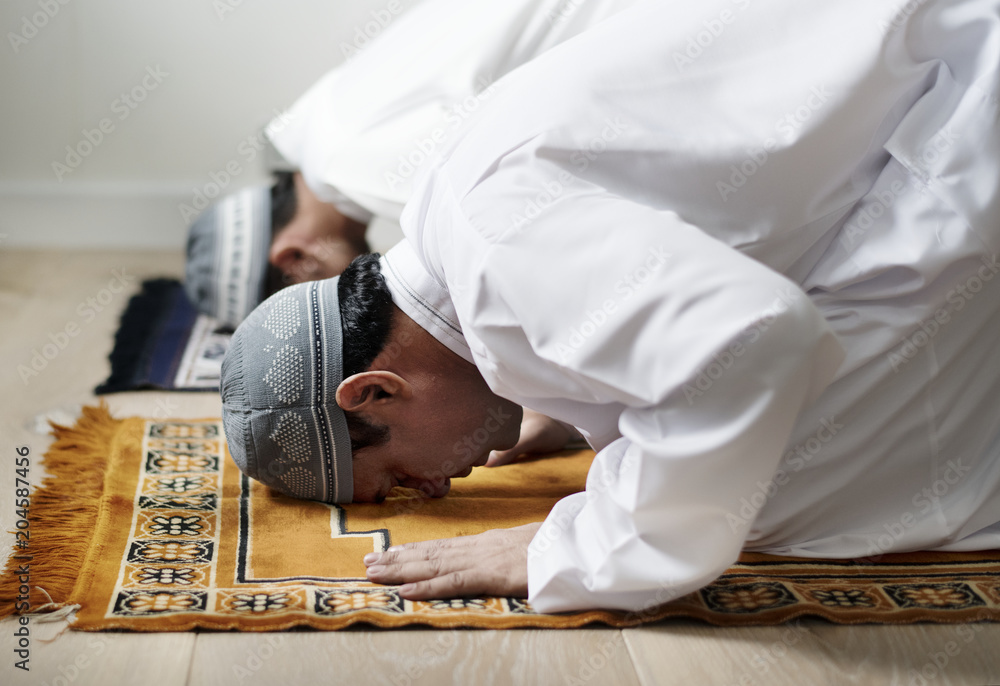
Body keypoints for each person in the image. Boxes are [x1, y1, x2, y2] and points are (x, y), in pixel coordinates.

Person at [220, 0, 1000, 613]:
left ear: (375, 392)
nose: (432, 492)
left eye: (391, 477)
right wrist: (572, 405)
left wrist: (582, 546)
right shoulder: (444, 217)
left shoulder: (495, 255)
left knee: (771, 496)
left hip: (966, 76)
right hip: (926, 87)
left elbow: (753, 339)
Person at [183, 0, 642, 328]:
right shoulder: (320, 122)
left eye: (321, 300)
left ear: (293, 259)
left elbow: (528, 237)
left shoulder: (356, 162)